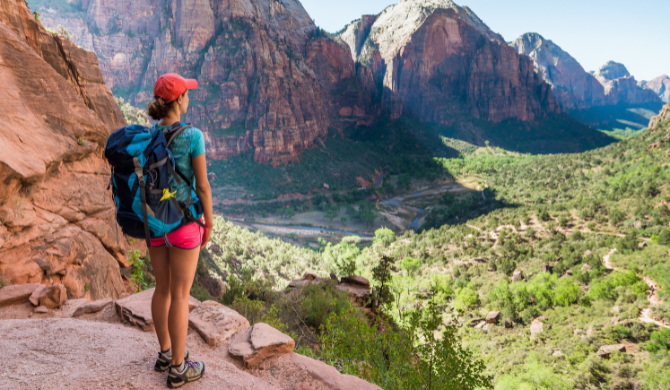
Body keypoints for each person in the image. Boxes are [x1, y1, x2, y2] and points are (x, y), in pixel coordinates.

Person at [146, 73, 213, 388]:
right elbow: (202, 185)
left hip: (156, 223)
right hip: (185, 225)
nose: (189, 96)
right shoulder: (193, 135)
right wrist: (209, 222)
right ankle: (178, 368)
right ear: (178, 100)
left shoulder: (149, 134)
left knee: (162, 289)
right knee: (181, 295)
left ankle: (164, 354)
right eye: (187, 92)